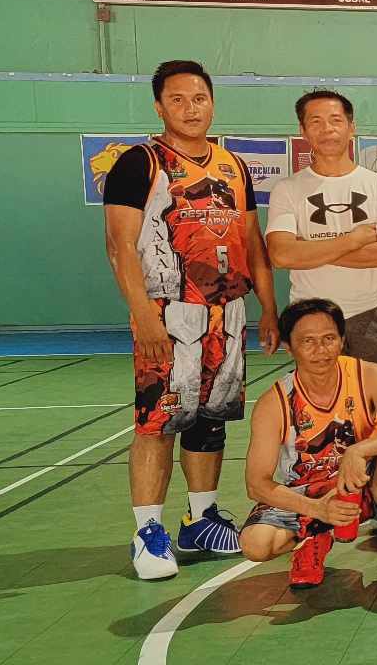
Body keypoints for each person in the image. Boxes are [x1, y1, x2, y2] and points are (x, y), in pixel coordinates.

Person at [101, 59, 278, 579]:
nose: (190, 108)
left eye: (198, 98)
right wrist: (143, 314)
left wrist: (267, 307)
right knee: (160, 422)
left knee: (210, 417)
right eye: (177, 99)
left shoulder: (233, 165)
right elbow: (119, 247)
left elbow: (252, 242)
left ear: (213, 103)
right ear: (159, 106)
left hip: (227, 313)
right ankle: (147, 531)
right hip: (167, 311)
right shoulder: (140, 162)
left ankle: (200, 518)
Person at [239, 299, 377, 594]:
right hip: (308, 494)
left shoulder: (367, 374)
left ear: (343, 341)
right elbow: (257, 484)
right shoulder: (274, 402)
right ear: (289, 348)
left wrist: (358, 451)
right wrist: (316, 509)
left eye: (329, 339)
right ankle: (313, 539)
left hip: (363, 485)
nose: (321, 350)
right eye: (308, 342)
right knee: (256, 543)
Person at [265, 90, 377, 388]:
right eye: (315, 121)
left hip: (372, 313)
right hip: (311, 316)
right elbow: (281, 255)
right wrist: (352, 240)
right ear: (302, 131)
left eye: (335, 120)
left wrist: (308, 249)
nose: (327, 129)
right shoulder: (288, 189)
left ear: (351, 127)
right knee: (321, 412)